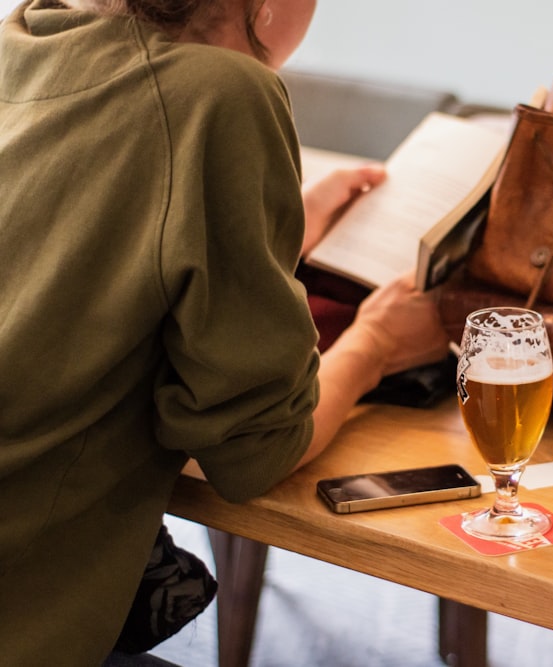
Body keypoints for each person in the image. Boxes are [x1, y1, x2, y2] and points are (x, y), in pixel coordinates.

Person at [0, 1, 450, 664]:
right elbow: (255, 451)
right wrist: (376, 343)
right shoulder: (224, 92)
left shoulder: (32, 31)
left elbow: (78, 256)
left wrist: (270, 229)